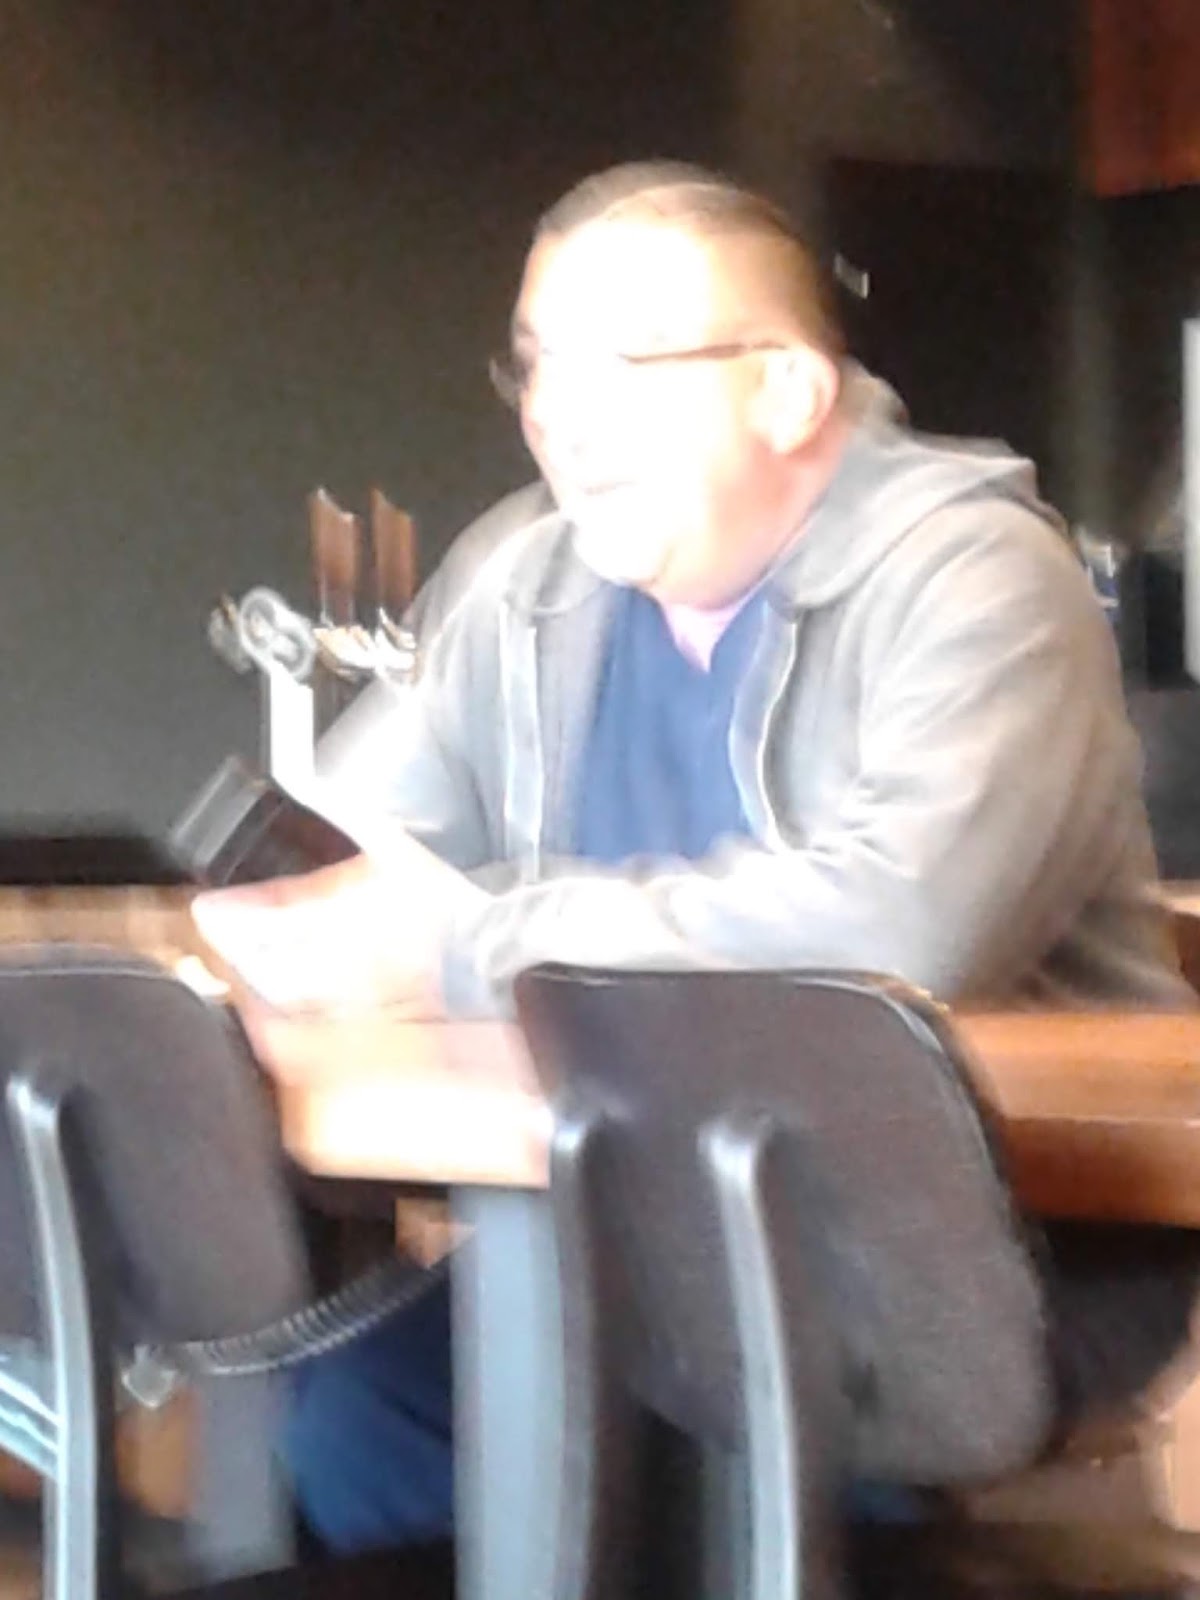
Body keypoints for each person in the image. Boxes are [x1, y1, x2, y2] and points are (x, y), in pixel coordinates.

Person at [193, 161, 1194, 1553]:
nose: (556, 415)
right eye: (537, 367)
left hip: (964, 1263)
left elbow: (902, 928)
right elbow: (361, 855)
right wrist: (301, 922)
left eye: (621, 365)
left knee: (576, 1473)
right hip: (638, 1231)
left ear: (788, 391)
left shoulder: (975, 573)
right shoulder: (526, 577)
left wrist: (464, 943)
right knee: (346, 1421)